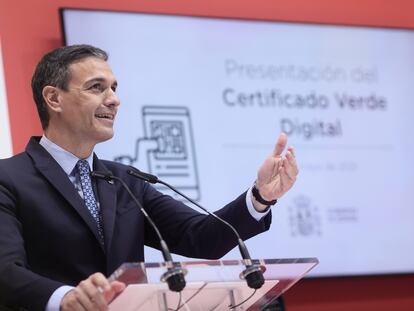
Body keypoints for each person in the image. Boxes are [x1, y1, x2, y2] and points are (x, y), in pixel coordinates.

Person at [0, 45, 298, 311]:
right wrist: (64, 298)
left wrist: (260, 197)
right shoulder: (8, 178)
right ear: (53, 98)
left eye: (114, 88)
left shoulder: (123, 181)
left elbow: (202, 237)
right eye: (96, 88)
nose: (114, 100)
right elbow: (5, 270)